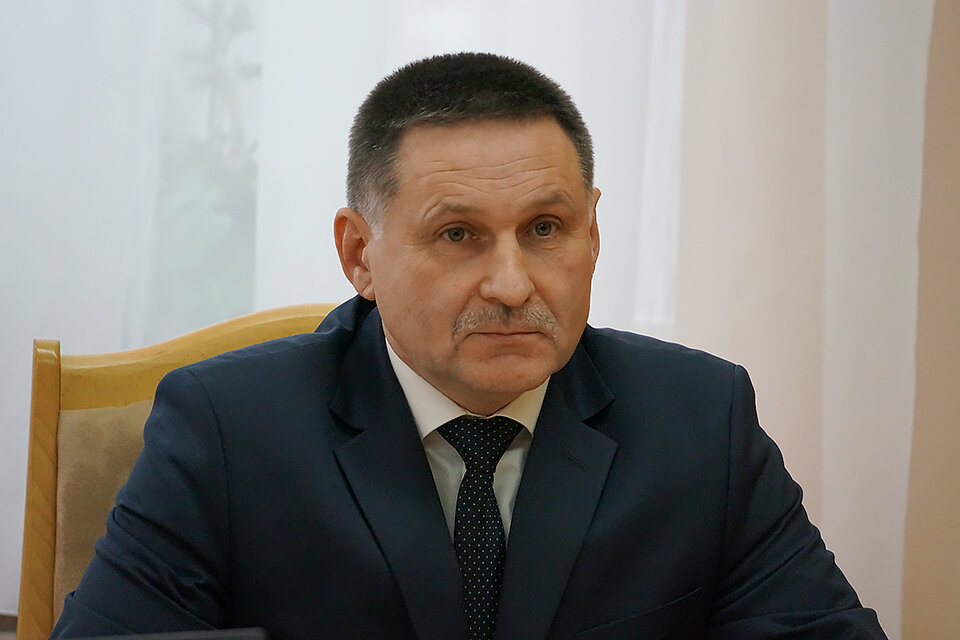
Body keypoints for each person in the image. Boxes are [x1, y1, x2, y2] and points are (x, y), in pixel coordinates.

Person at [51, 53, 887, 639]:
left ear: (594, 234)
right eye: (458, 235)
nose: (514, 286)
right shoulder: (227, 430)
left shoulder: (701, 421)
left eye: (546, 229)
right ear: (359, 255)